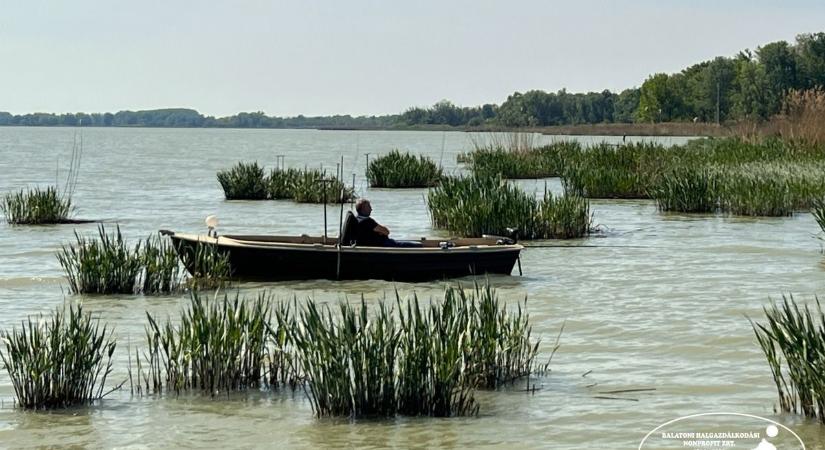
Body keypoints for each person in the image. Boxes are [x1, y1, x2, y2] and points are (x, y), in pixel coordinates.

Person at [354, 199, 421, 247]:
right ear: (363, 208)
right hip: (384, 244)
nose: (371, 209)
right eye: (369, 207)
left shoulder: (356, 219)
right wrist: (381, 232)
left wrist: (380, 232)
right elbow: (386, 232)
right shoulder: (367, 221)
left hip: (381, 243)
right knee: (417, 245)